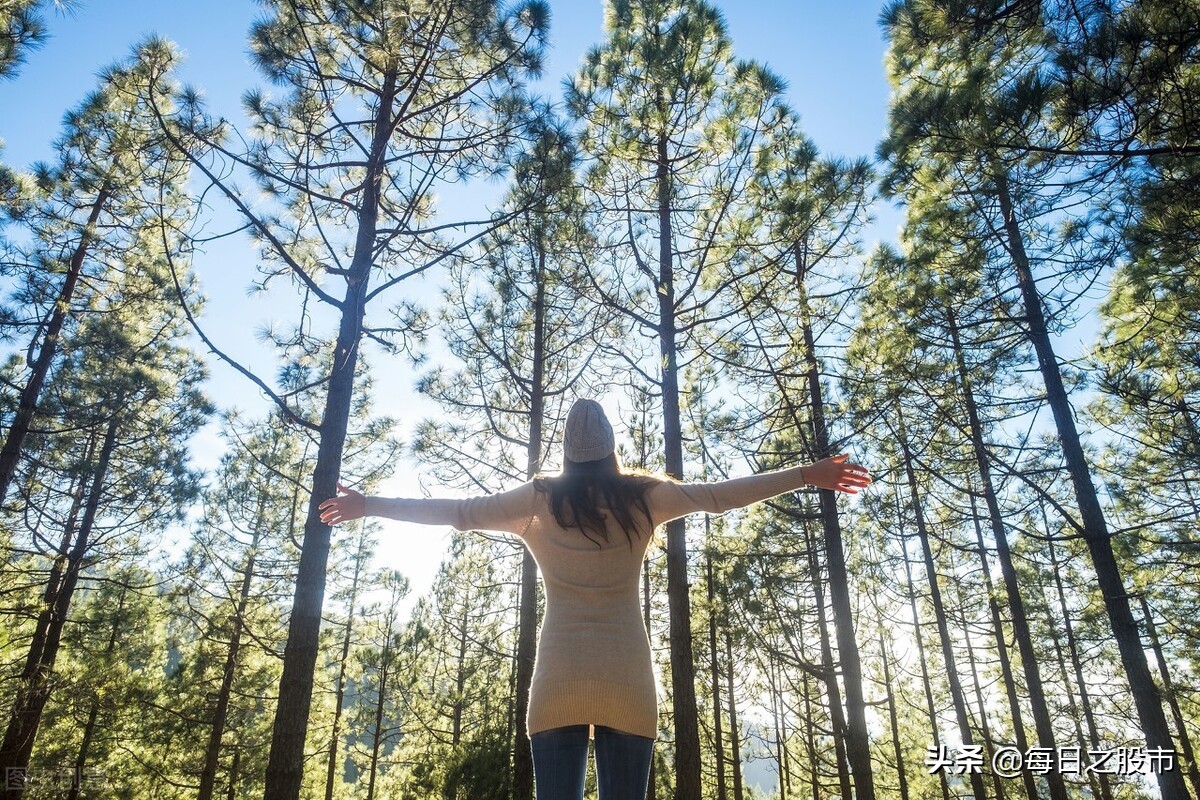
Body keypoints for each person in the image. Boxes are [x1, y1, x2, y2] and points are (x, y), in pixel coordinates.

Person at [319, 398, 870, 800]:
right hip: (627, 680)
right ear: (610, 450)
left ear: (567, 452)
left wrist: (370, 504)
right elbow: (719, 498)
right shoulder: (642, 498)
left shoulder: (538, 501)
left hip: (557, 678)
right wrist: (806, 474)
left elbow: (459, 512)